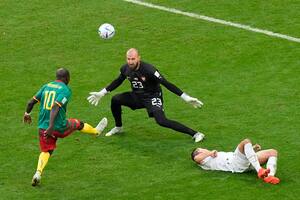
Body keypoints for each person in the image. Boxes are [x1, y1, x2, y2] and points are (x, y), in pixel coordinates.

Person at [87, 48, 205, 142]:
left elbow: (166, 83)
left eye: (133, 59)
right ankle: (119, 127)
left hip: (152, 97)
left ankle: (195, 133)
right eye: (128, 59)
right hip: (137, 96)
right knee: (115, 99)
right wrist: (102, 92)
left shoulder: (149, 70)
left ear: (138, 58)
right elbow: (118, 81)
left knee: (161, 121)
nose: (130, 61)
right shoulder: (125, 68)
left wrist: (186, 97)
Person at [23, 68, 108, 186]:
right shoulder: (65, 90)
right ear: (67, 78)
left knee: (46, 151)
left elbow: (30, 102)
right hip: (58, 126)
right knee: (78, 124)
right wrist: (52, 126)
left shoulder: (46, 86)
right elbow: (55, 107)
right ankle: (96, 131)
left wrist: (27, 113)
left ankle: (38, 173)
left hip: (43, 127)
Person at [191, 138, 280, 184]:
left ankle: (270, 176)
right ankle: (259, 170)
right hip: (234, 164)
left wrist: (252, 150)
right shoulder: (204, 162)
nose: (204, 148)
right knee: (246, 141)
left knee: (272, 152)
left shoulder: (209, 156)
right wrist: (210, 153)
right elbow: (196, 159)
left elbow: (241, 156)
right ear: (198, 152)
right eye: (201, 149)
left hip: (242, 162)